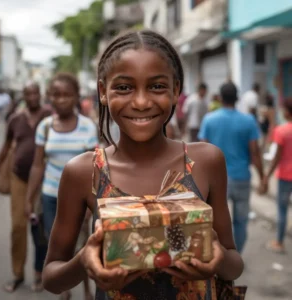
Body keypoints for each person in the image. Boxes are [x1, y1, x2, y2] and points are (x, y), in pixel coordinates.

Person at [41, 30, 244, 300]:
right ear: (103, 91)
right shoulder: (84, 172)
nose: (140, 102)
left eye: (157, 86)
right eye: (124, 87)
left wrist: (218, 260)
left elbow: (234, 264)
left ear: (176, 91)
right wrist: (85, 262)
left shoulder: (206, 161)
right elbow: (52, 279)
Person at [25, 73, 98, 300]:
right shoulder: (45, 127)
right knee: (55, 244)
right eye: (56, 95)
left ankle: (87, 290)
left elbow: (95, 168)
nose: (62, 100)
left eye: (67, 95)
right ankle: (64, 291)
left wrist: (90, 205)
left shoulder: (87, 127)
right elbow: (38, 166)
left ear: (76, 97)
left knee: (84, 246)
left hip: (79, 199)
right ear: (50, 97)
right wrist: (29, 198)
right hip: (49, 196)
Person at [0, 82, 51, 292]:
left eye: (36, 92)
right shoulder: (16, 119)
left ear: (40, 93)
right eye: (28, 93)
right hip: (18, 178)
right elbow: (7, 146)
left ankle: (39, 273)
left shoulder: (50, 116)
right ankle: (17, 274)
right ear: (24, 96)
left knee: (40, 230)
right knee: (18, 228)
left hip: (44, 181)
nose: (32, 96)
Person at [198, 82, 265, 253]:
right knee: (241, 221)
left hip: (216, 181)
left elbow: (202, 151)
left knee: (215, 221)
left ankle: (219, 255)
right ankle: (237, 256)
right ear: (237, 98)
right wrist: (263, 177)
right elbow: (255, 152)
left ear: (220, 98)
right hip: (242, 177)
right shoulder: (248, 121)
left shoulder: (209, 119)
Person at [263, 98, 292, 253]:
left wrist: (267, 175)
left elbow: (276, 157)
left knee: (282, 209)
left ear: (286, 112)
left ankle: (279, 242)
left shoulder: (281, 131)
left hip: (286, 176)